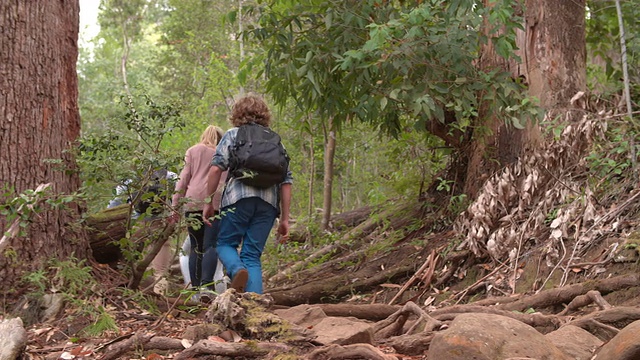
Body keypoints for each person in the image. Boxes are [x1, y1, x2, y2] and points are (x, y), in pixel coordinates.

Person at [203, 94, 292, 294]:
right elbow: (286, 181)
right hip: (268, 204)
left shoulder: (234, 134)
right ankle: (256, 307)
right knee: (252, 255)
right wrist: (285, 219)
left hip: (237, 199)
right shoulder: (275, 140)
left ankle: (236, 269)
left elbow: (216, 169)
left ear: (237, 114)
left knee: (225, 243)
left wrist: (208, 201)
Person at [171, 125, 227, 292]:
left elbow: (183, 179)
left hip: (193, 200)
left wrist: (175, 204)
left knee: (196, 246)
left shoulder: (193, 151)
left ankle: (194, 290)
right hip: (216, 200)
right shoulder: (224, 152)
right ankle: (207, 286)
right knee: (210, 245)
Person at [108, 169, 178, 293]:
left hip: (137, 224)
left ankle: (126, 293)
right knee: (161, 271)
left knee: (127, 264)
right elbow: (180, 194)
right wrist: (174, 214)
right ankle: (160, 299)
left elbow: (116, 201)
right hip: (161, 224)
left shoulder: (131, 177)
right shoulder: (170, 176)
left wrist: (106, 217)